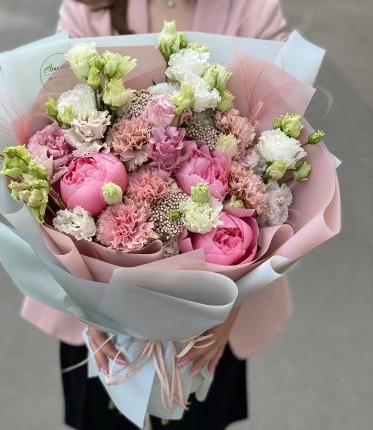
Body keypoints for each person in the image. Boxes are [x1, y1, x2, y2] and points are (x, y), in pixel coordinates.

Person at [24, 1, 289, 429]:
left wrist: (232, 305)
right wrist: (86, 304)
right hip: (98, 316)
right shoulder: (86, 8)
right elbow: (49, 131)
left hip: (214, 316)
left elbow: (280, 161)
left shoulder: (252, 9)